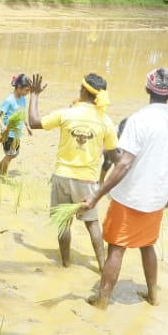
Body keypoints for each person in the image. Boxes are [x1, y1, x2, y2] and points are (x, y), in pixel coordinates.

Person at [82, 68, 168, 307]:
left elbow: (124, 163)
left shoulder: (139, 119)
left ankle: (102, 299)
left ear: (147, 89)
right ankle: (153, 295)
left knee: (117, 248)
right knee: (147, 244)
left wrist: (97, 195)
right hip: (157, 197)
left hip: (131, 197)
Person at [28, 72, 118, 268]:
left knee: (63, 223)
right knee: (92, 223)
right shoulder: (106, 121)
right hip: (88, 181)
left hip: (63, 176)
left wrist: (34, 95)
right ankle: (103, 266)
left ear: (83, 90)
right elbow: (114, 156)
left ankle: (66, 263)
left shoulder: (67, 114)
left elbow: (34, 122)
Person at [0, 75, 32, 177]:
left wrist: (27, 126)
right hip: (9, 133)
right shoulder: (9, 100)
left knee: (14, 153)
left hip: (17, 133)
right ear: (19, 87)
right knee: (10, 154)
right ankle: (3, 177)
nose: (28, 93)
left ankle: (0, 166)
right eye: (26, 90)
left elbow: (22, 113)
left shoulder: (23, 99)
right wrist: (2, 127)